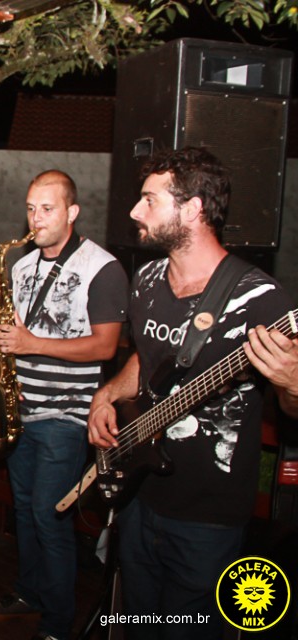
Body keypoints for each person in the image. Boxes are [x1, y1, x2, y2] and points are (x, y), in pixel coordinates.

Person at [87, 147, 298, 639]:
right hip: (139, 491)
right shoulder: (146, 279)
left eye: (149, 200)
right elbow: (146, 359)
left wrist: (292, 382)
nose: (135, 211)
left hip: (208, 516)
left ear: (194, 209)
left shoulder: (261, 298)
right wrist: (105, 397)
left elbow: (292, 409)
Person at [0, 170, 128, 640]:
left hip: (67, 412)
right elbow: (11, 335)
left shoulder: (103, 268)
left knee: (48, 514)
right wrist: (5, 374)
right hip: (21, 407)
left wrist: (31, 344)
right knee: (24, 509)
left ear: (72, 212)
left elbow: (105, 346)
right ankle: (29, 593)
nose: (35, 219)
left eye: (47, 208)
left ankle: (59, 623)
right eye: (30, 209)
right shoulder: (22, 267)